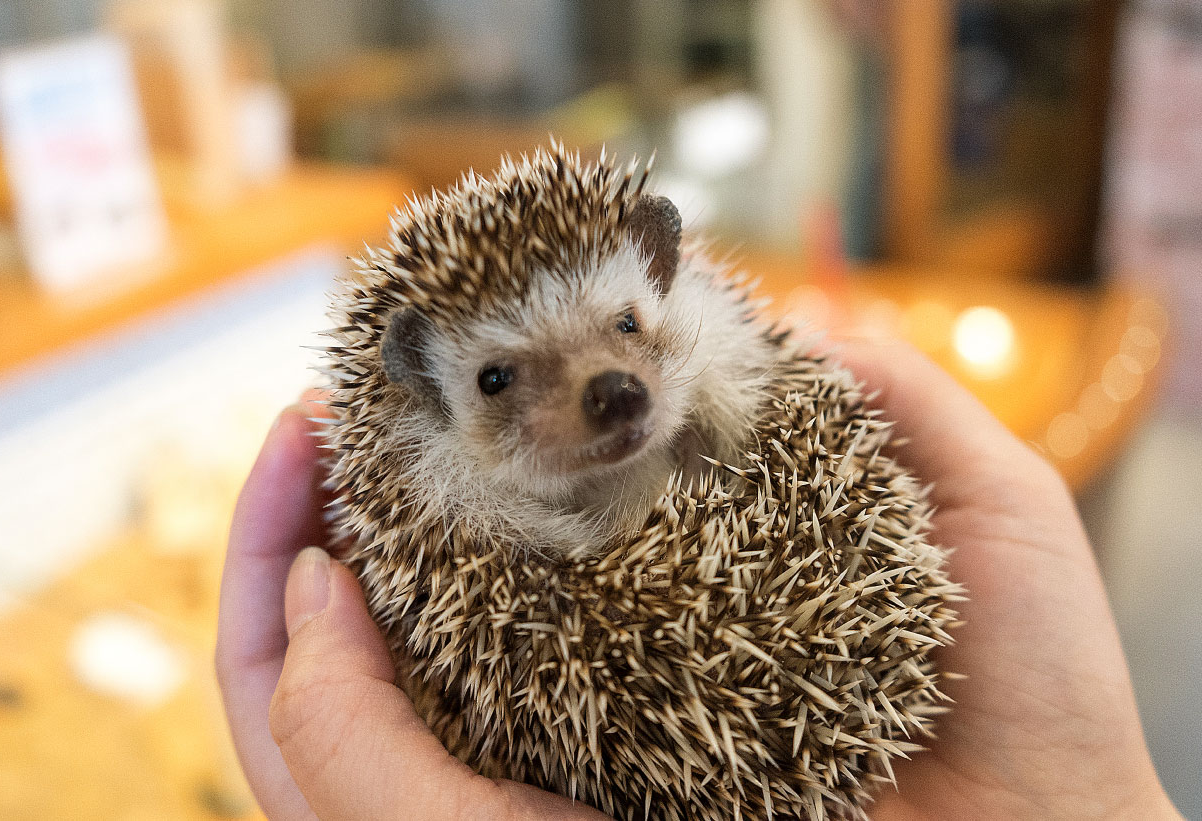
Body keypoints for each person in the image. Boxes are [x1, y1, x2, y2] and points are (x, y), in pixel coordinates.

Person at [215, 337, 1182, 820]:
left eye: (626, 323)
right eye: (502, 376)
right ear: (417, 389)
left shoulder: (733, 388)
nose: (609, 383)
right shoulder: (437, 520)